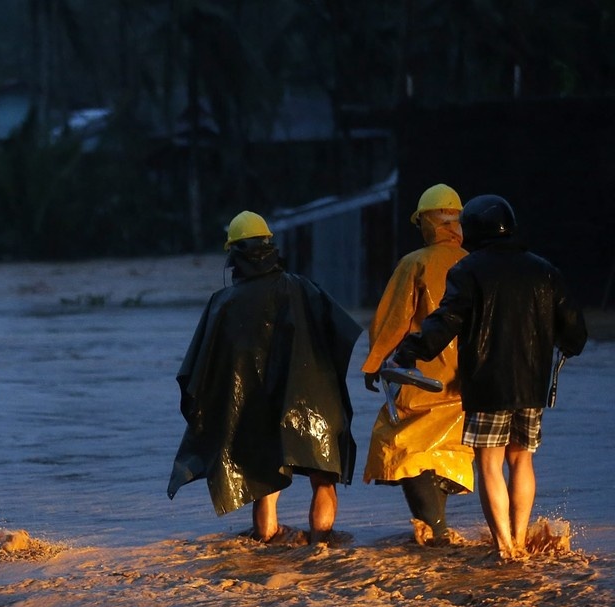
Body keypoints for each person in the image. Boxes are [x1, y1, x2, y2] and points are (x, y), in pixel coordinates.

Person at [394, 194, 587, 560]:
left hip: (487, 385)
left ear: (474, 230)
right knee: (522, 461)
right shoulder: (544, 270)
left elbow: (446, 321)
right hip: (531, 385)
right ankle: (521, 540)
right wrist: (567, 345)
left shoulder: (467, 271)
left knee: (489, 465)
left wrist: (409, 350)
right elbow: (574, 330)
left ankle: (505, 547)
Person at [168, 211, 362, 545]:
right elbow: (341, 335)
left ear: (233, 256)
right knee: (323, 478)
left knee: (265, 479)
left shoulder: (222, 303)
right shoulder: (302, 288)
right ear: (270, 246)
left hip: (253, 408)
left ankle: (268, 541)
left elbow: (200, 371)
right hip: (311, 406)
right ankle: (321, 547)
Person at [361, 184, 474, 544]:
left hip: (423, 376)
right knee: (443, 454)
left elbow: (394, 319)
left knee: (401, 446)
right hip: (468, 381)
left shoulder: (415, 263)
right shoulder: (474, 262)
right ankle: (437, 530)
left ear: (426, 222)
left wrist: (374, 362)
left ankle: (435, 534)